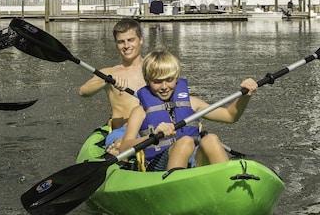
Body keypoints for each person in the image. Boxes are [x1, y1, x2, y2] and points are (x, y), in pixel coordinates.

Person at [108, 50, 257, 173]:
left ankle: (228, 179)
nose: (164, 86)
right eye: (157, 81)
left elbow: (230, 116)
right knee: (185, 142)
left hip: (193, 160)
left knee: (211, 138)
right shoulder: (140, 111)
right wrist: (153, 137)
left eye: (169, 79)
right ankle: (175, 185)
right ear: (147, 81)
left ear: (177, 78)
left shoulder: (192, 102)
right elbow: (124, 147)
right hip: (159, 165)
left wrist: (245, 96)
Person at [78, 18, 146, 148]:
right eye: (121, 42)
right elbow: (83, 91)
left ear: (141, 40)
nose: (126, 46)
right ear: (116, 44)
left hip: (151, 126)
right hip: (121, 132)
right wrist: (107, 79)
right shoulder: (109, 72)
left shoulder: (153, 68)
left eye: (131, 40)